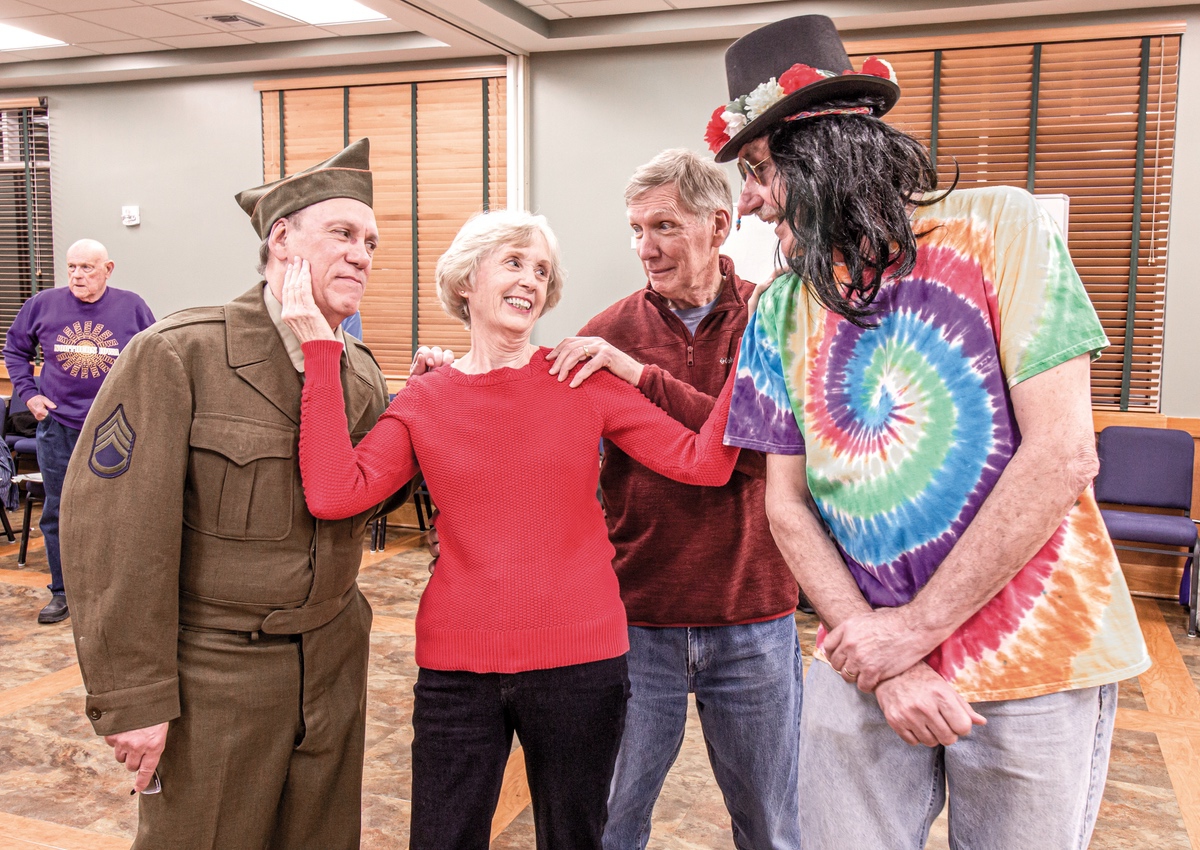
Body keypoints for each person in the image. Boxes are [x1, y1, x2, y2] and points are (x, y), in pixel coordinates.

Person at [710, 15, 1152, 849]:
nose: (751, 200)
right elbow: (786, 507)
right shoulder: (777, 305)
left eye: (762, 171)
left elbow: (1063, 454)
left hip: (1035, 656)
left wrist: (914, 632)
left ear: (824, 150)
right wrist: (889, 658)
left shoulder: (1002, 228)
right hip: (862, 659)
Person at [279, 208, 740, 850]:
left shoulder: (581, 379)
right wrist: (321, 351)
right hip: (457, 667)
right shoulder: (424, 397)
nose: (532, 280)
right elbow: (334, 493)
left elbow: (705, 462)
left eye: (542, 270)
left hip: (582, 663)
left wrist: (756, 361)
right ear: (467, 281)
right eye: (515, 262)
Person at [60, 140, 405, 850]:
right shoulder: (180, 355)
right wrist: (133, 697)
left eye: (369, 241)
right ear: (281, 238)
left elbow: (362, 506)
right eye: (342, 233)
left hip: (333, 661)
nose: (362, 255)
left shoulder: (361, 376)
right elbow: (115, 536)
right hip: (216, 675)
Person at [544, 149, 802, 850]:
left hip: (754, 617)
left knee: (772, 829)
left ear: (719, 225)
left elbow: (762, 455)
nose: (645, 248)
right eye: (635, 229)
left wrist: (642, 381)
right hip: (635, 620)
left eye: (664, 225)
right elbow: (556, 465)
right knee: (610, 826)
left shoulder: (771, 320)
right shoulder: (604, 335)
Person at [2, 238, 154, 624]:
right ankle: (62, 592)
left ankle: (112, 593)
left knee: (116, 511)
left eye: (87, 267)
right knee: (58, 511)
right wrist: (31, 395)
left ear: (108, 268)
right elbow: (15, 350)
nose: (77, 275)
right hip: (58, 427)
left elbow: (154, 356)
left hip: (113, 427)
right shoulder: (42, 305)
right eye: (71, 267)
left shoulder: (131, 306)